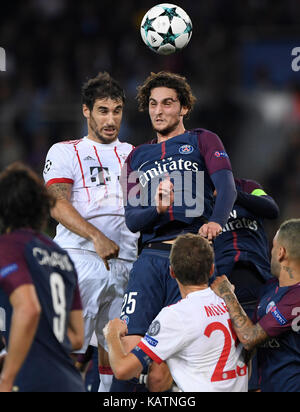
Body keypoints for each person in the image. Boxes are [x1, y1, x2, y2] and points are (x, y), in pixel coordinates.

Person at [115, 71, 237, 391]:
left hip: (193, 259)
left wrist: (217, 221)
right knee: (135, 351)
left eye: (167, 103)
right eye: (153, 104)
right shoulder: (135, 158)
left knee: (183, 361)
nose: (159, 110)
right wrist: (156, 208)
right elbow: (132, 220)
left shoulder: (203, 139)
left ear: (183, 107)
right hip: (152, 258)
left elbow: (227, 188)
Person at [43, 72, 139, 392]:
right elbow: (57, 204)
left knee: (116, 352)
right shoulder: (65, 151)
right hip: (80, 259)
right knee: (71, 353)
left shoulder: (135, 154)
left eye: (116, 111)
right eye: (102, 110)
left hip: (126, 263)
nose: (110, 119)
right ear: (86, 110)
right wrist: (96, 236)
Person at [104, 234, 248, 392]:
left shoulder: (176, 316)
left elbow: (122, 370)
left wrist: (112, 335)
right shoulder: (230, 303)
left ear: (172, 272)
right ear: (212, 269)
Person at [0, 162, 85, 392]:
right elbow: (77, 338)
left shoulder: (8, 247)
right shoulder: (61, 256)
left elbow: (28, 309)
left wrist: (7, 378)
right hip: (71, 383)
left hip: (30, 380)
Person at [211, 218, 300, 392]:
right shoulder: (269, 288)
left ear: (281, 252)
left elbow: (250, 337)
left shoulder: (297, 297)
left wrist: (228, 294)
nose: (270, 253)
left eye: (273, 247)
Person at [213, 178, 279, 390]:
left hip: (259, 280)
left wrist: (232, 194)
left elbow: (271, 209)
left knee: (261, 362)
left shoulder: (248, 187)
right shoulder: (201, 196)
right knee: (231, 364)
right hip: (223, 285)